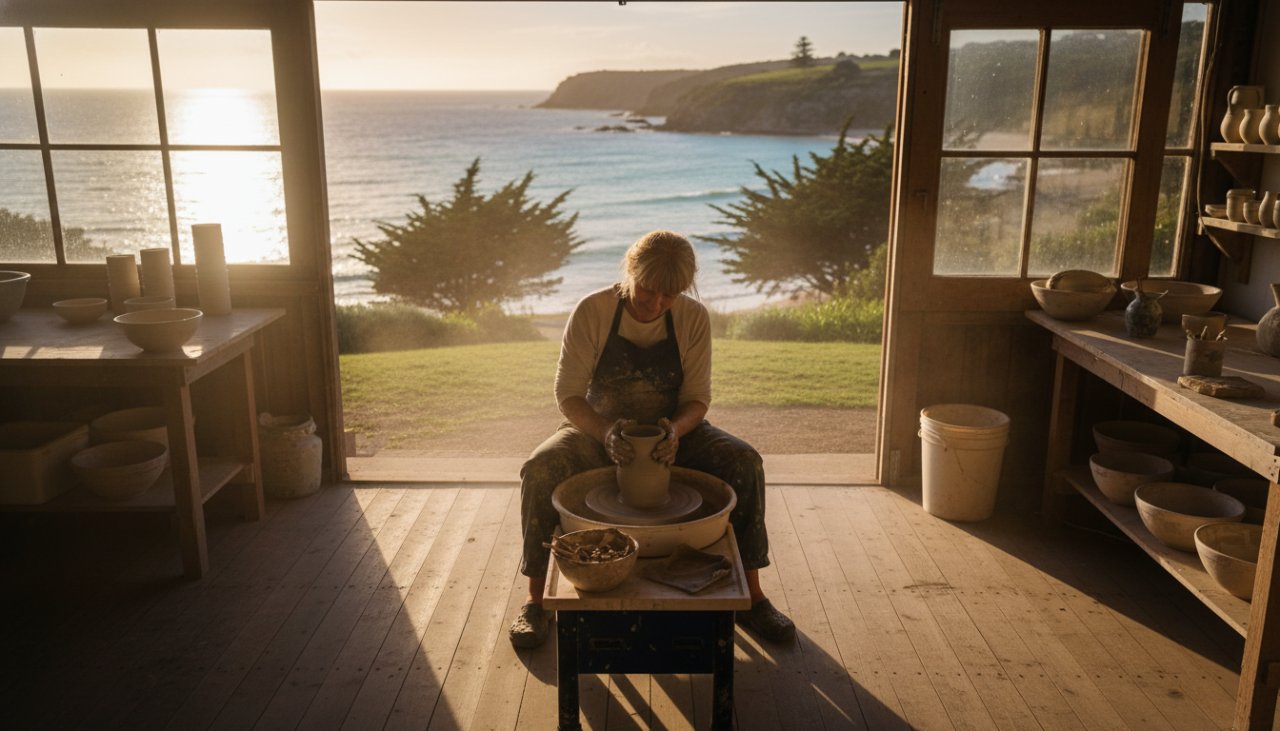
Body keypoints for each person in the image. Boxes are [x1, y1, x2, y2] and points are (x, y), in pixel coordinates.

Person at [508, 229, 795, 649]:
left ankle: (752, 598)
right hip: (597, 429)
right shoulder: (594, 311)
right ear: (630, 270)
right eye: (648, 289)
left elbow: (698, 399)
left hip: (672, 431)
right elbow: (567, 394)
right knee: (540, 468)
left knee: (745, 462)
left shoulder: (692, 318)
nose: (656, 303)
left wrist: (675, 431)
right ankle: (535, 602)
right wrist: (605, 431)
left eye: (669, 295)